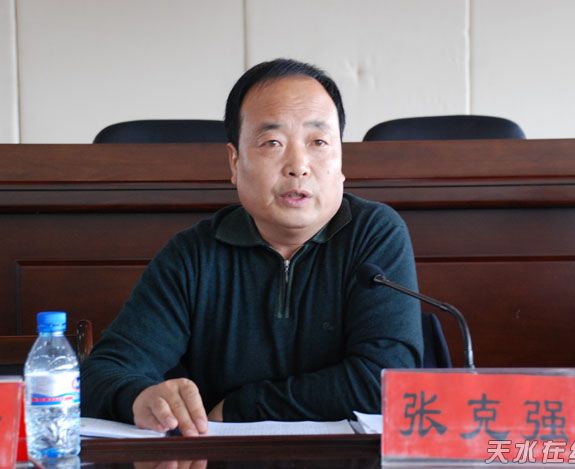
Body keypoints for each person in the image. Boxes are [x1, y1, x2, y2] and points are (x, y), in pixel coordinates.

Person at [81, 58, 423, 436]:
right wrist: (138, 397)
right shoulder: (194, 255)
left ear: (341, 160)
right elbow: (102, 372)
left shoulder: (374, 233)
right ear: (235, 161)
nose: (298, 166)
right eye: (273, 143)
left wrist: (242, 407)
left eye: (318, 142)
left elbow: (387, 382)